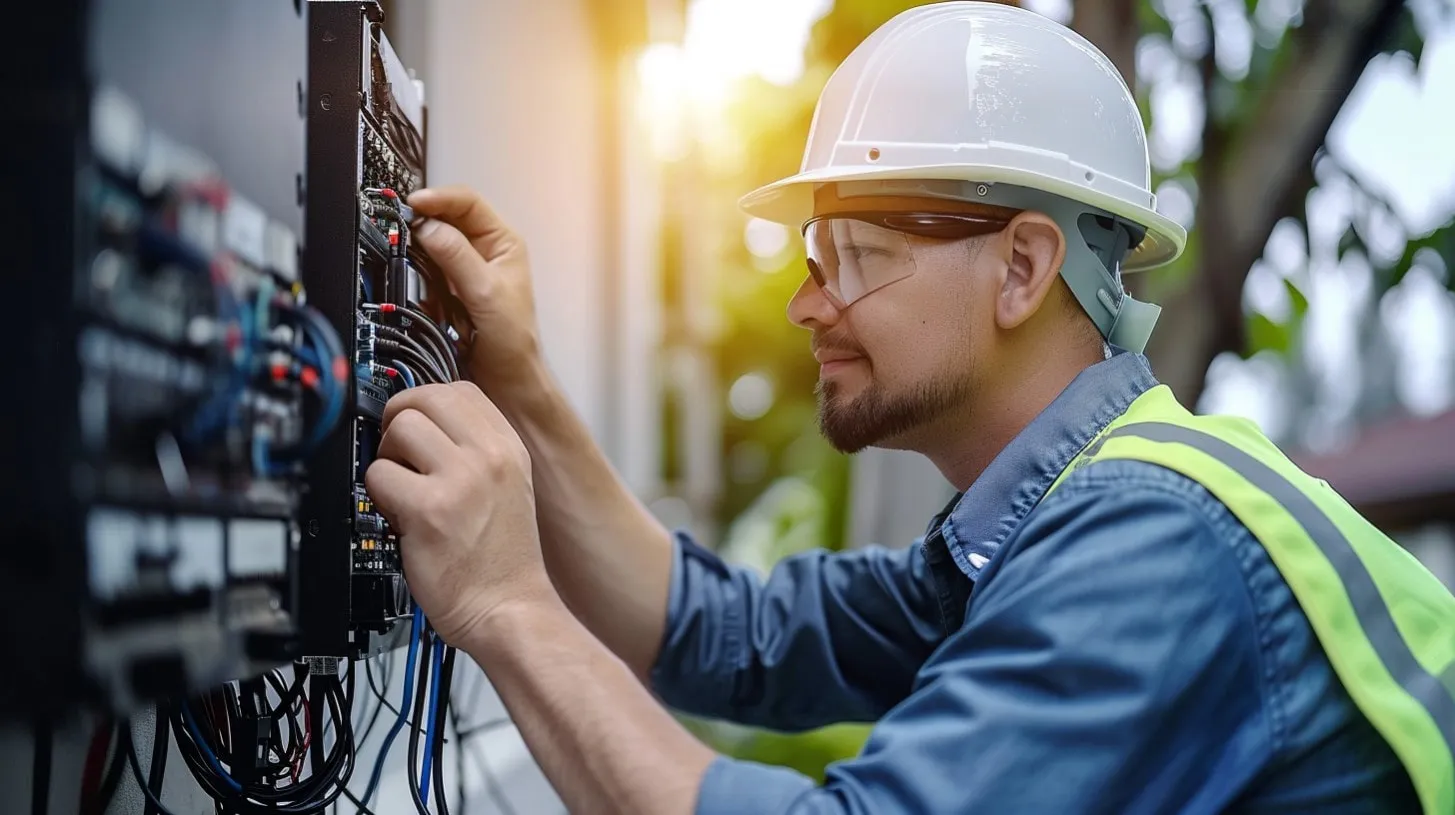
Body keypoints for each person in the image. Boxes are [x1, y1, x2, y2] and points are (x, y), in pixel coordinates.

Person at [363, 3, 1455, 813]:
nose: (805, 303)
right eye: (813, 255)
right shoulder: (1038, 531)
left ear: (1022, 268)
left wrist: (507, 605)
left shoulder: (1149, 540)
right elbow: (722, 633)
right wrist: (523, 382)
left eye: (854, 253)